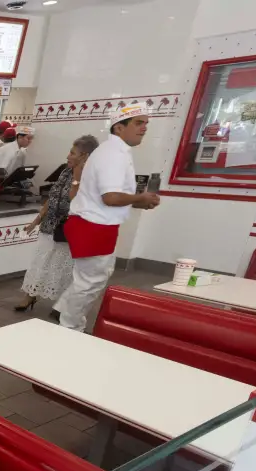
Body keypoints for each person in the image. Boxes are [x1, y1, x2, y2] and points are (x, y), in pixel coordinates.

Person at [54, 103, 160, 331]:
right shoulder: (113, 154)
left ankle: (66, 319)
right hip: (93, 226)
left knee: (90, 280)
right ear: (119, 128)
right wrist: (139, 199)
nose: (144, 128)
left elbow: (109, 197)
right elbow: (110, 197)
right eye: (138, 123)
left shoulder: (116, 152)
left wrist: (138, 201)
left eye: (145, 124)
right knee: (89, 284)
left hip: (96, 224)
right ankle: (68, 329)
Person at [15, 135, 100, 314]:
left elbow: (76, 200)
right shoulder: (65, 171)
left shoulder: (92, 176)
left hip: (70, 228)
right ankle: (30, 294)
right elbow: (52, 198)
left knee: (64, 266)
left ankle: (62, 306)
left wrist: (77, 178)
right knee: (41, 260)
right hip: (50, 225)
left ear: (84, 156)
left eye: (72, 153)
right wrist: (36, 221)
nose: (68, 156)